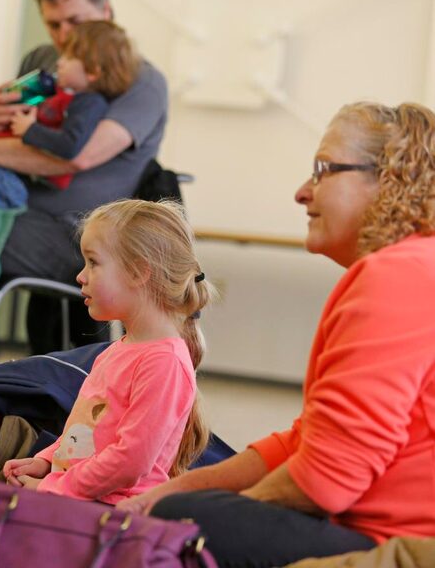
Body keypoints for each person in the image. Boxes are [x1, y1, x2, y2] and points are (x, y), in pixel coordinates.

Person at [118, 102, 435, 566]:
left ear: (390, 179)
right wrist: (173, 487)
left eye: (323, 170)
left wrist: (197, 509)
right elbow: (306, 442)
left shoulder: (396, 274)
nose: (302, 192)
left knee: (183, 522)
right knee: (181, 498)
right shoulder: (415, 265)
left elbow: (326, 481)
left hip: (398, 543)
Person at [0, 0, 168, 383]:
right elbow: (10, 141)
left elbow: (78, 156)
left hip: (76, 232)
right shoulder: (43, 61)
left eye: (76, 21)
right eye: (54, 25)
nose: (64, 37)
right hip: (12, 209)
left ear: (106, 12)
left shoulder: (141, 79)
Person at [2, 199, 212, 503]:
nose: (81, 276)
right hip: (81, 497)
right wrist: (47, 461)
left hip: (111, 512)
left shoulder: (164, 363)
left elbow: (130, 463)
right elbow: (88, 431)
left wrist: (53, 489)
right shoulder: (119, 350)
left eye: (93, 262)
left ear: (139, 272)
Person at [0, 20, 140, 208]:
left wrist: (29, 129)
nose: (59, 62)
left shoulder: (90, 104)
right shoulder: (64, 96)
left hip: (11, 182)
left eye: (69, 58)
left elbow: (70, 146)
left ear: (93, 72)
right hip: (1, 172)